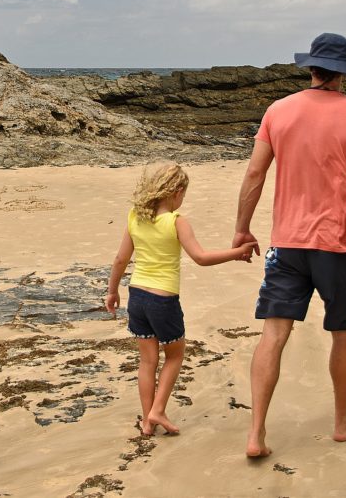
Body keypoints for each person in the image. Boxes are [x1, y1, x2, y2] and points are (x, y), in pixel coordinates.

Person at [233, 33, 346, 458]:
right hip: (335, 247)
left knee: (273, 334)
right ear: (344, 72)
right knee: (343, 333)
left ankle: (256, 434)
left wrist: (242, 229)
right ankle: (342, 422)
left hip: (286, 244)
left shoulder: (278, 111)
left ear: (312, 67)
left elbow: (254, 175)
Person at [106, 162, 257, 436]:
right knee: (175, 355)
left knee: (147, 361)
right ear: (176, 191)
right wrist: (237, 253)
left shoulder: (135, 216)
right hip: (163, 300)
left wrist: (112, 291)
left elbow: (120, 259)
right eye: (183, 194)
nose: (182, 200)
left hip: (137, 296)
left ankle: (147, 423)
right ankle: (158, 410)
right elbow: (200, 257)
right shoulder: (176, 221)